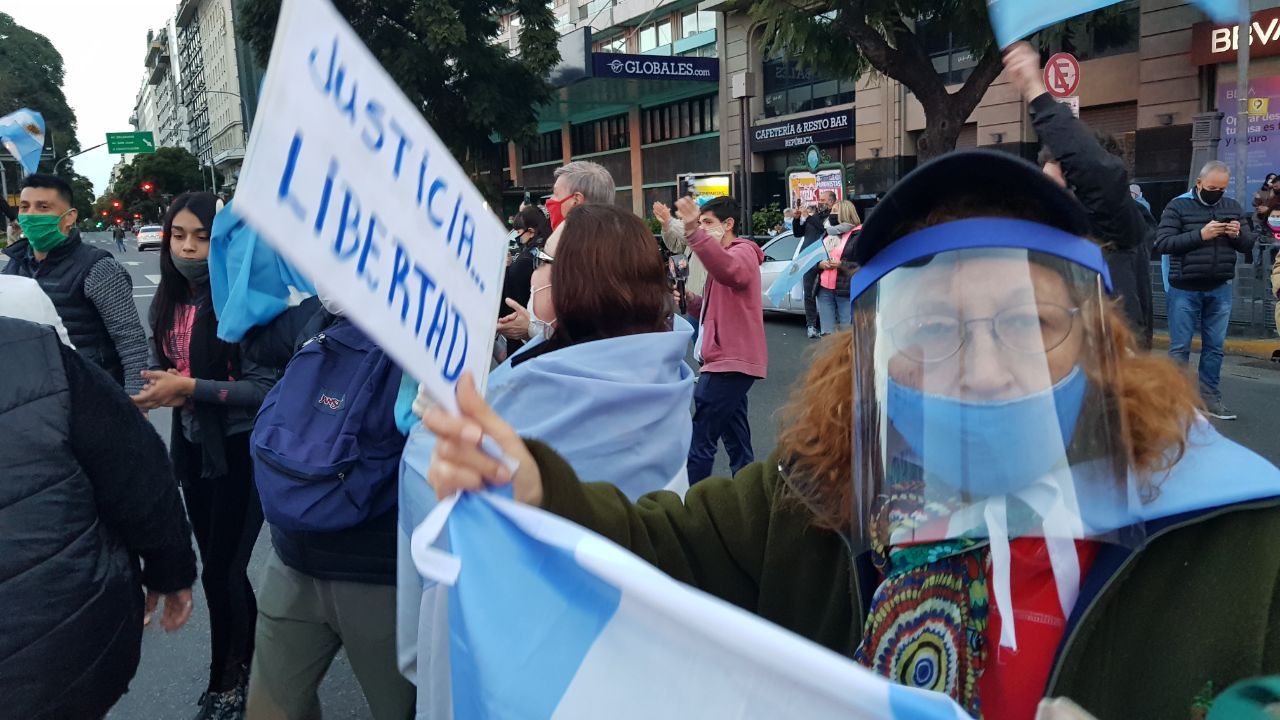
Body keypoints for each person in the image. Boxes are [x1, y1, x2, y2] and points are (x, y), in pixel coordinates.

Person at [423, 149, 1280, 720]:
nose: (983, 369)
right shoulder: (811, 494)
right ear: (876, 358)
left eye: (1029, 324)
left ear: (1100, 342)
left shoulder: (1238, 534)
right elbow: (652, 551)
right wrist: (533, 486)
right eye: (933, 332)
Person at [397, 203, 695, 718]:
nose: (533, 268)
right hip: (628, 669)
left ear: (571, 287)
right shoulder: (666, 375)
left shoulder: (506, 412)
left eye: (543, 260)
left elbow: (428, 609)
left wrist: (434, 428)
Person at [1, 314, 196, 720]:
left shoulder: (43, 344)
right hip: (58, 650)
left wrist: (132, 395)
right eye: (180, 241)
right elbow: (141, 475)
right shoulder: (31, 349)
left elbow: (126, 334)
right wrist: (169, 570)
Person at [131, 192, 277, 720]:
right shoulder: (165, 300)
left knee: (219, 572)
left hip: (241, 452)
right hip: (193, 451)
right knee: (227, 572)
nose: (188, 248)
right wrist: (147, 394)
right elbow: (158, 366)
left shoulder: (246, 302)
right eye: (178, 235)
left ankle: (226, 688)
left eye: (203, 237)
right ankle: (259, 669)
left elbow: (265, 388)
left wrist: (190, 388)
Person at [246, 295, 415, 720]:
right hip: (292, 559)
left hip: (378, 576)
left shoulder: (434, 336)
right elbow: (252, 343)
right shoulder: (319, 316)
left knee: (402, 709)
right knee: (269, 709)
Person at [1005, 42, 1153, 348]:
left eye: (1063, 187)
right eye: (1046, 185)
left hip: (1110, 366)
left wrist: (1035, 89)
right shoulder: (1042, 232)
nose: (1051, 197)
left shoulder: (1116, 225)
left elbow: (1096, 173)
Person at [3, 173, 149, 395]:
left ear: (69, 217)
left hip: (93, 396)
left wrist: (137, 400)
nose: (31, 215)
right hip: (32, 399)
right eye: (25, 207)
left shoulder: (99, 268)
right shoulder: (13, 268)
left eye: (43, 207)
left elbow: (129, 338)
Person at [1155, 160, 1255, 421]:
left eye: (1222, 188)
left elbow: (1247, 245)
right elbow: (1163, 243)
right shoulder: (1177, 206)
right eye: (1212, 187)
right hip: (1184, 288)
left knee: (1215, 348)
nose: (1217, 193)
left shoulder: (1231, 207)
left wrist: (1236, 234)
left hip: (1219, 287)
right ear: (1198, 183)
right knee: (1180, 348)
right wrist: (1201, 234)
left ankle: (1210, 399)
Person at [677, 195, 766, 483]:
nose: (702, 229)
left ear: (729, 224)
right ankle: (748, 495)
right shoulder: (728, 258)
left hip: (727, 362)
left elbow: (732, 272)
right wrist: (691, 300)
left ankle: (693, 509)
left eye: (708, 223)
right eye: (700, 223)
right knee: (736, 439)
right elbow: (713, 307)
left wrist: (692, 232)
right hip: (728, 360)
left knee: (701, 438)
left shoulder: (743, 253)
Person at [498, 161, 615, 343]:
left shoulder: (578, 255)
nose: (549, 202)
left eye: (555, 194)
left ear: (576, 201)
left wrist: (534, 329)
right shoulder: (624, 245)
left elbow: (583, 334)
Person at [499, 206, 553, 359]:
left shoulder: (526, 261)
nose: (517, 237)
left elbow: (509, 295)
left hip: (523, 337)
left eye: (518, 232)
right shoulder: (547, 252)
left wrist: (505, 272)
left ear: (530, 232)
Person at [654, 199, 707, 342]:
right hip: (695, 303)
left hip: (710, 306)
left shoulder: (710, 238)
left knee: (710, 352)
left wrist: (670, 221)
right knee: (700, 350)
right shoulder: (695, 240)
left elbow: (691, 232)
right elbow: (676, 244)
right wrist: (666, 225)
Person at [792, 190, 838, 338]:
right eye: (820, 199)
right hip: (809, 259)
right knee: (809, 293)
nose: (820, 202)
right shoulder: (815, 217)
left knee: (830, 292)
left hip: (827, 258)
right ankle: (811, 325)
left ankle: (834, 324)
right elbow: (798, 233)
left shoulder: (835, 217)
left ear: (832, 201)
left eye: (823, 199)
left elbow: (824, 229)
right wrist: (797, 219)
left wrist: (808, 217)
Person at [814, 199, 861, 335]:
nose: (831, 214)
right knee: (827, 333)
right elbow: (816, 257)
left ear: (845, 214)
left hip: (846, 290)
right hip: (824, 288)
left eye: (835, 211)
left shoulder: (858, 235)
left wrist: (841, 265)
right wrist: (820, 264)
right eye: (831, 211)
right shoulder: (827, 233)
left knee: (847, 333)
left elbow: (865, 264)